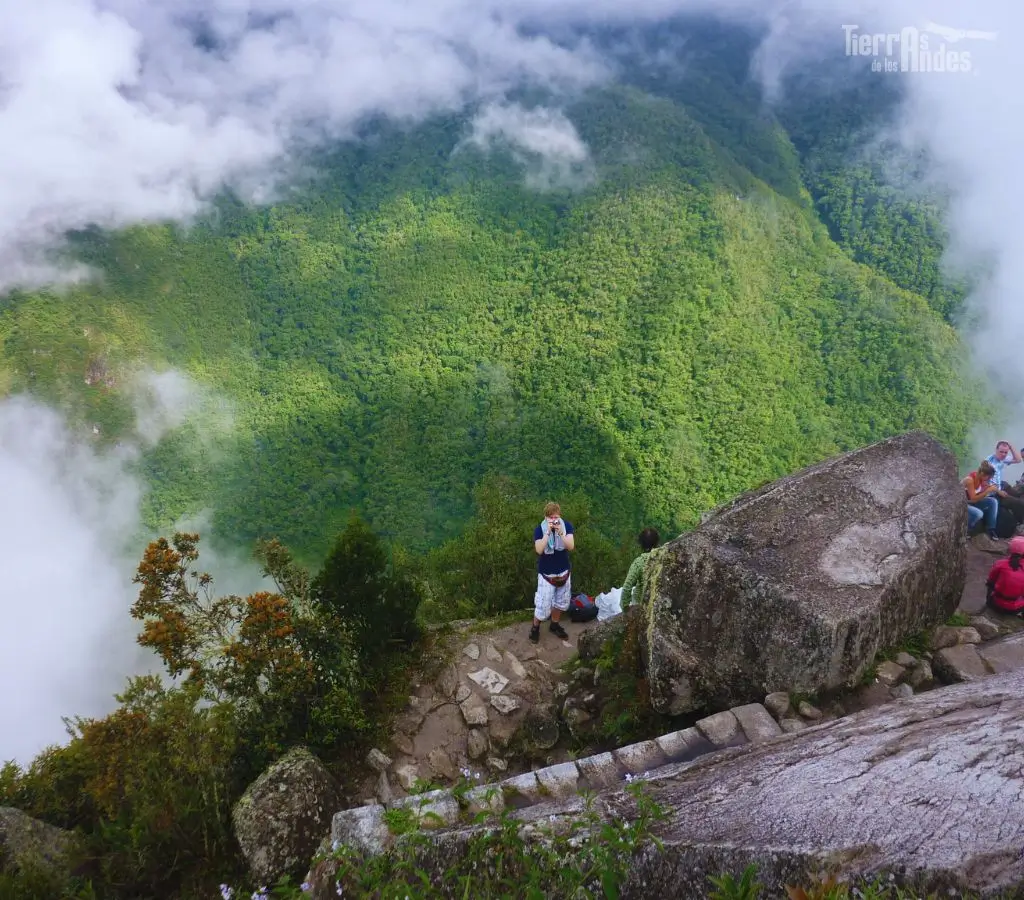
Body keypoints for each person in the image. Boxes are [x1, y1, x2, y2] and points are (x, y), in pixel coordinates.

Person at [530, 502, 575, 643]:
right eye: (550, 518)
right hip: (546, 574)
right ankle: (535, 628)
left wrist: (560, 532)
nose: (554, 520)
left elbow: (571, 546)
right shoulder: (540, 529)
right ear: (545, 518)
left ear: (559, 516)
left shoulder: (566, 526)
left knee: (561, 602)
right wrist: (548, 532)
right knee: (542, 605)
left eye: (556, 517)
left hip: (563, 571)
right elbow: (539, 549)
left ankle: (554, 625)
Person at [962, 460, 1004, 551]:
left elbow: (990, 488)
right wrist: (987, 491)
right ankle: (966, 530)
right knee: (978, 513)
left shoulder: (982, 479)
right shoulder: (969, 480)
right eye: (987, 478)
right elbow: (972, 499)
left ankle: (991, 528)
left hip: (972, 503)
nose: (987, 480)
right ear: (982, 473)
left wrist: (999, 492)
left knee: (993, 501)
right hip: (962, 504)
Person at [620, 527, 662, 607]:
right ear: (657, 542)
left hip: (640, 604)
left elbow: (626, 587)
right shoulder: (664, 557)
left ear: (641, 544)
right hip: (658, 603)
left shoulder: (639, 562)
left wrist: (625, 608)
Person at [985, 440, 1024, 526]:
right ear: (996, 450)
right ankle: (1020, 524)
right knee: (1019, 504)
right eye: (1001, 452)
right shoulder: (988, 462)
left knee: (1016, 493)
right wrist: (999, 492)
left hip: (999, 486)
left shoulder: (1003, 458)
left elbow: (1018, 460)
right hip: (993, 493)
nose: (1003, 454)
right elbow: (983, 482)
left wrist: (1010, 446)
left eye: (1005, 452)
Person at [986, 536, 1024, 614]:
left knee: (991, 584)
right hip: (1017, 608)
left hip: (997, 605)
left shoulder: (1000, 564)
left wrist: (988, 600)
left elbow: (990, 582)